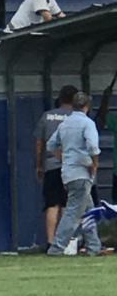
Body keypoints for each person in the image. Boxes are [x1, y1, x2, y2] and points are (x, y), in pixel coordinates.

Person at [46, 92, 102, 256]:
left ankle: (94, 247)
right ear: (87, 106)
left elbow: (51, 145)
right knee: (72, 212)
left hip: (68, 172)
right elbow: (93, 147)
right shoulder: (88, 123)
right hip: (82, 172)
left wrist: (64, 158)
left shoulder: (65, 124)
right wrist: (95, 164)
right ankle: (56, 247)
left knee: (89, 211)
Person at [34, 84, 78, 250]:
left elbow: (39, 142)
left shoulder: (47, 116)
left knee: (52, 204)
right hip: (72, 167)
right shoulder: (77, 117)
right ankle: (66, 243)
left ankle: (51, 242)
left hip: (51, 165)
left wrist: (39, 164)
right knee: (68, 205)